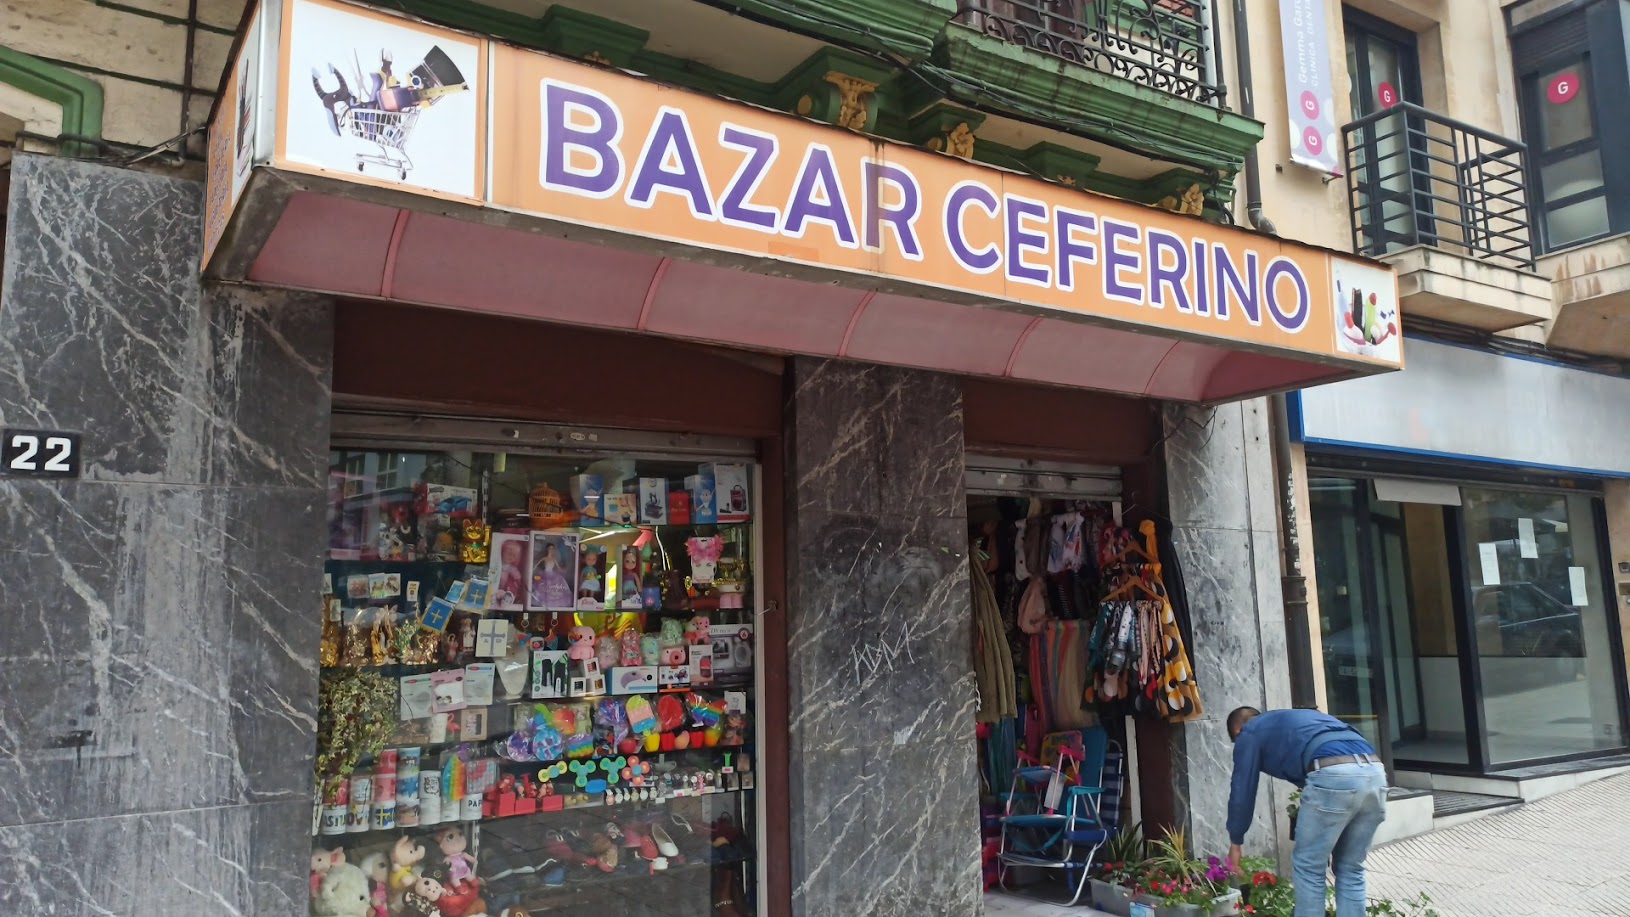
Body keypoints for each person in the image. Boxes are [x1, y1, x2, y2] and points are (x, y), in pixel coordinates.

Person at [1225, 706, 1388, 917]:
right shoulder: (1295, 721)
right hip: (1375, 772)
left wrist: (1236, 841)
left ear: (1238, 732)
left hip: (1332, 773)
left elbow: (1242, 788)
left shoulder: (1249, 732)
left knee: (1309, 867)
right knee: (1350, 868)